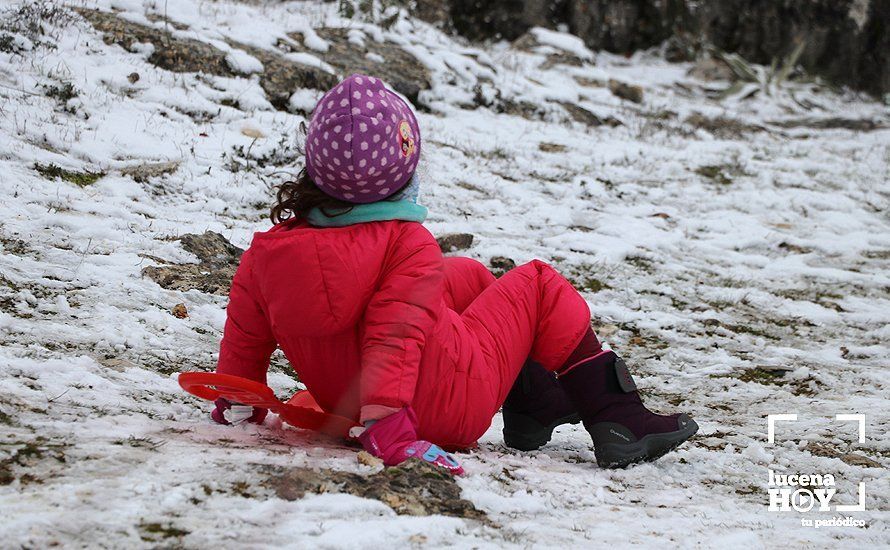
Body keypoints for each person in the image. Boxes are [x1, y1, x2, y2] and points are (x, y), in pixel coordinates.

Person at [210, 74, 698, 473]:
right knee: (537, 284)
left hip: (347, 400)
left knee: (466, 275)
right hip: (433, 409)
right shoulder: (404, 244)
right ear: (402, 171)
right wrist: (388, 426)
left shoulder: (266, 253)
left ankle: (534, 405)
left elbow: (245, 339)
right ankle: (617, 418)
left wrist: (236, 403)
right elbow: (393, 336)